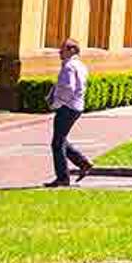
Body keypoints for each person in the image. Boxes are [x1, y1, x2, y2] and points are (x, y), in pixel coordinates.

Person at [45, 40, 95, 187]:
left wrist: (56, 103)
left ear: (72, 50)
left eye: (63, 49)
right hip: (76, 107)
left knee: (57, 143)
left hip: (67, 107)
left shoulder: (69, 67)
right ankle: (83, 163)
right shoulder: (80, 65)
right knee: (61, 140)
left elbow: (68, 88)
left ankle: (63, 178)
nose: (60, 52)